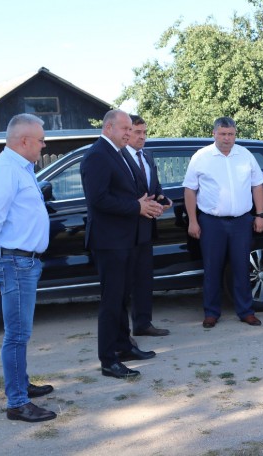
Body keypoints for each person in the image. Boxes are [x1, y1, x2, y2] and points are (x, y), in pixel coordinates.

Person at [0, 114, 56, 422]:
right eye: (41, 139)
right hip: (14, 261)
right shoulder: (7, 170)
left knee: (20, 332)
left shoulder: (18, 168)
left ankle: (21, 385)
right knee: (17, 334)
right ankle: (17, 403)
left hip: (22, 260)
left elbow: (5, 214)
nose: (44, 144)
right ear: (24, 141)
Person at [81, 109, 162, 379]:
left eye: (131, 129)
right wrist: (136, 207)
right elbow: (98, 200)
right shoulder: (97, 155)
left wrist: (148, 203)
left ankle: (124, 346)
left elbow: (127, 193)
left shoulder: (117, 153)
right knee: (111, 301)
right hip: (109, 241)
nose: (129, 133)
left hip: (126, 239)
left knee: (122, 298)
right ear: (108, 129)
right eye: (125, 128)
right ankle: (108, 360)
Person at [182, 117, 263, 328]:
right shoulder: (201, 157)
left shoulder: (245, 155)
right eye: (223, 134)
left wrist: (260, 214)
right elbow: (190, 190)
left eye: (231, 134)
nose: (227, 138)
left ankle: (246, 311)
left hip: (241, 222)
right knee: (212, 269)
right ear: (214, 134)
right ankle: (211, 313)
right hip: (211, 223)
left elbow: (257, 186)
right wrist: (193, 221)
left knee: (241, 267)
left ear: (235, 134)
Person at [126, 115, 172, 336]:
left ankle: (143, 324)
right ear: (126, 132)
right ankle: (121, 335)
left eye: (145, 132)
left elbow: (154, 186)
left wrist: (163, 199)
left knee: (144, 279)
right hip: (125, 230)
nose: (142, 137)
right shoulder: (119, 158)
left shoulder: (148, 156)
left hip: (146, 229)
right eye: (137, 132)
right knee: (125, 284)